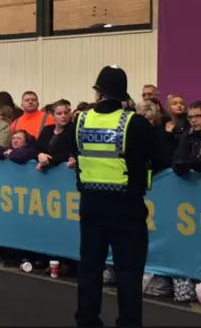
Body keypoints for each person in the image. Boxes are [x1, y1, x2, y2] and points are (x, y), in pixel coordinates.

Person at [72, 65, 160, 327]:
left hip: (90, 205)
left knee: (89, 268)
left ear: (98, 92)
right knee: (129, 272)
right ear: (123, 94)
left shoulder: (80, 121)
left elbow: (75, 155)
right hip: (127, 207)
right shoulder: (136, 123)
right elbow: (160, 157)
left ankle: (87, 320)